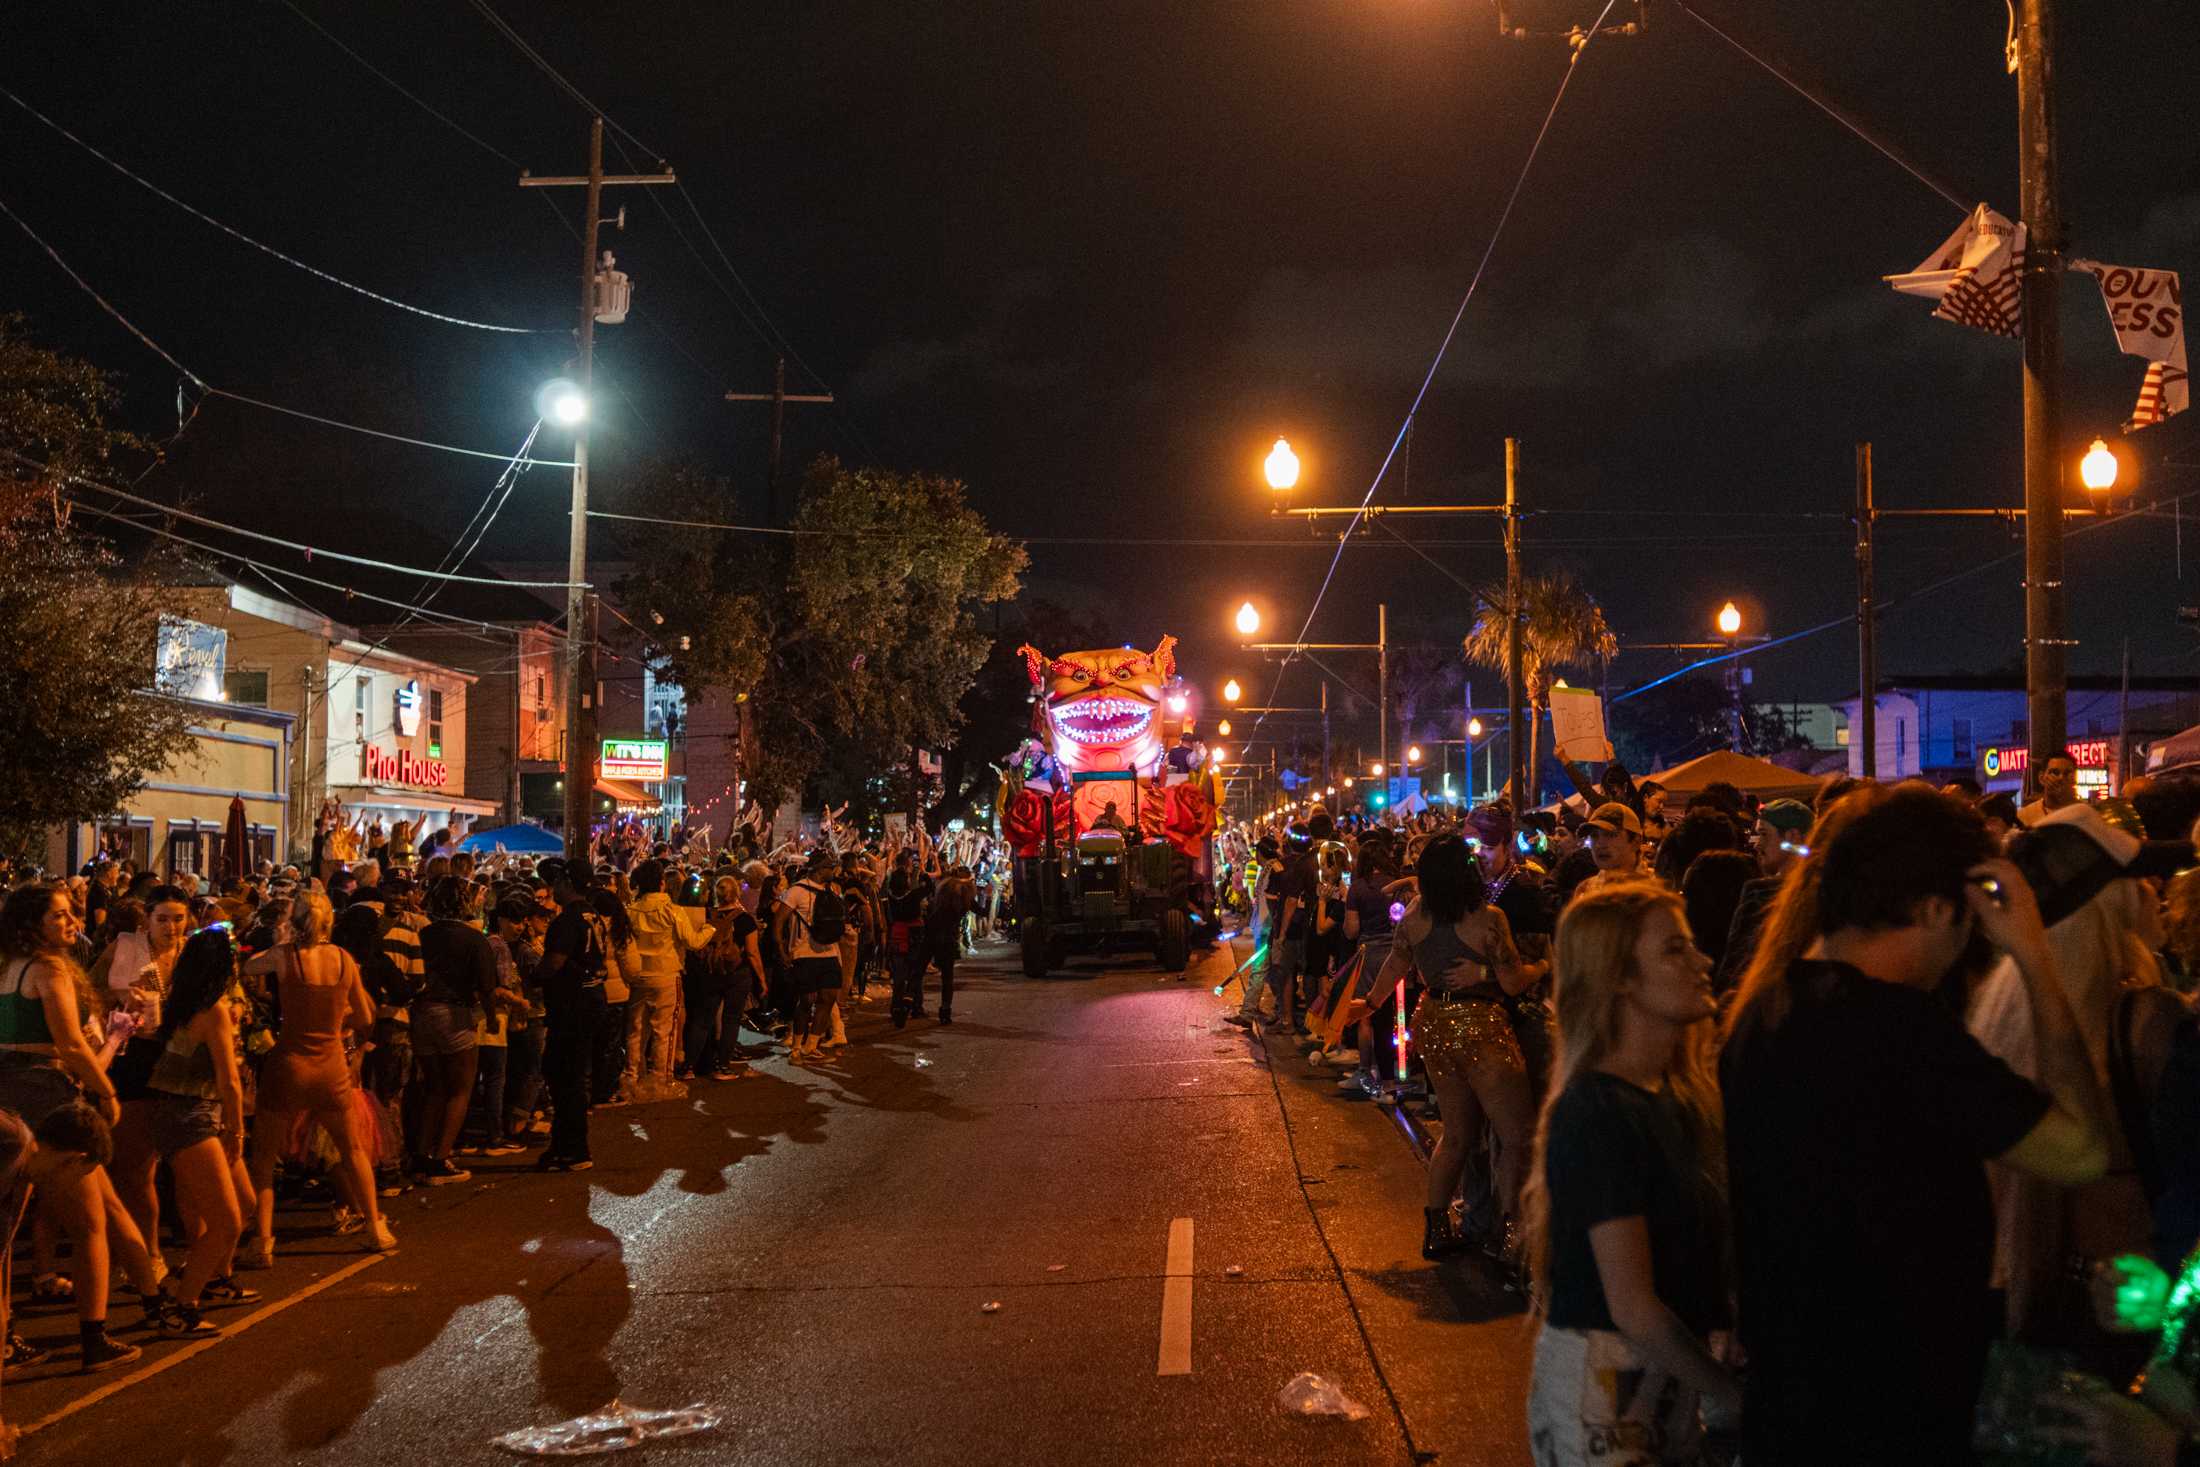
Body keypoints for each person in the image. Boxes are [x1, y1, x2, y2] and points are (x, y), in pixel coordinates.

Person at [1720, 785, 2111, 1464]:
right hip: (1891, 1418)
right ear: (1935, 908)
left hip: (1789, 1413)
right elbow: (2081, 1150)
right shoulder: (1902, 1034)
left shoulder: (1766, 1009)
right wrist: (2033, 957)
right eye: (1967, 922)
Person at [1522, 882, 1737, 1466]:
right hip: (1606, 1386)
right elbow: (1632, 1305)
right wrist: (1734, 1396)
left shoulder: (1678, 1098)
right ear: (1619, 977)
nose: (1703, 961)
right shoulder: (1596, 1112)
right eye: (1675, 950)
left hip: (1666, 1379)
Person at [0, 883, 164, 1371]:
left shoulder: (8, 969)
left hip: (8, 1094)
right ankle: (94, 1337)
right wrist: (106, 1094)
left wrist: (113, 1038)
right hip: (49, 1098)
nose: (72, 922)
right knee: (90, 1224)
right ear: (32, 927)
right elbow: (70, 1046)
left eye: (72, 914)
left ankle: (8, 1335)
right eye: (59, 916)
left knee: (9, 1228)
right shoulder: (49, 969)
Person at [1373, 834, 1537, 1261]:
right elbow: (1513, 983)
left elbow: (1395, 964)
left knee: (1457, 1135)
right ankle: (1507, 1235)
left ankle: (1437, 1227)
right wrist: (1546, 964)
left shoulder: (1413, 917)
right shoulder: (1489, 919)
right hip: (1482, 1027)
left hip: (1434, 1027)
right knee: (1517, 1136)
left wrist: (1368, 1003)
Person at [244, 891, 394, 1263]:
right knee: (353, 1149)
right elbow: (363, 1016)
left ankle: (262, 1239)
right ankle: (375, 1225)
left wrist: (280, 940)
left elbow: (247, 968)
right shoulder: (344, 960)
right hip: (330, 1063)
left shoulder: (284, 956)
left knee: (264, 1156)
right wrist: (339, 1027)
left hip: (290, 1061)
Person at [143, 927, 264, 1337]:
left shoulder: (186, 1004)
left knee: (244, 1201)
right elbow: (228, 1079)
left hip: (193, 1110)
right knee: (226, 1221)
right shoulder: (210, 1010)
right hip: (189, 1114)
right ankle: (182, 1306)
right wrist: (238, 1130)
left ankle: (210, 1277)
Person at [409, 878, 497, 1183]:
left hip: (421, 1012)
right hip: (455, 1012)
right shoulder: (473, 939)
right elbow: (487, 986)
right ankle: (441, 1156)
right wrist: (492, 1017)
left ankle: (422, 1153)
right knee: (460, 1089)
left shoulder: (423, 934)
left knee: (434, 1087)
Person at [534, 870, 616, 1171]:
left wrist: (534, 977)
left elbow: (553, 963)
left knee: (564, 1075)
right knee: (572, 1074)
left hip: (572, 1005)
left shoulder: (567, 920)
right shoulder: (592, 915)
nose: (552, 888)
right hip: (592, 999)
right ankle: (567, 1144)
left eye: (556, 883)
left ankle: (572, 1147)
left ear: (568, 884)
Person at [623, 860, 712, 1097]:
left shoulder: (631, 910)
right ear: (661, 883)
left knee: (636, 1030)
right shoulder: (672, 910)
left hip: (638, 975)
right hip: (665, 974)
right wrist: (709, 929)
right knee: (665, 1030)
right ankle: (661, 1079)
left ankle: (632, 1077)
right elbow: (693, 942)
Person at [1714, 798, 1813, 994]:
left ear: (1792, 837)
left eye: (1764, 835)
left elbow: (1736, 967)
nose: (1758, 845)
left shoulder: (1760, 893)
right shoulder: (1825, 891)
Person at [777, 853, 848, 1062]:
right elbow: (779, 922)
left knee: (828, 998)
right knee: (806, 1001)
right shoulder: (796, 891)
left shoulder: (831, 891)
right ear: (818, 869)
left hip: (829, 953)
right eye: (829, 867)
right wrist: (782, 951)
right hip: (804, 953)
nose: (832, 871)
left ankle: (811, 1046)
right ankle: (797, 1048)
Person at [883, 849, 932, 1027]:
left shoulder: (890, 895)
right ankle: (914, 1005)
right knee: (916, 972)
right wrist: (922, 873)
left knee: (899, 974)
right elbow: (930, 887)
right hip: (914, 935)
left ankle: (896, 1007)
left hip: (896, 933)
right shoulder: (913, 895)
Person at [1574, 803, 1647, 899]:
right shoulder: (1585, 890)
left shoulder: (1657, 888)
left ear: (1636, 842)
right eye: (1594, 836)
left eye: (1610, 835)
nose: (1600, 844)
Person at [929, 870, 974, 1024]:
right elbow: (975, 908)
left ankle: (911, 1003)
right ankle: (945, 1010)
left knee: (919, 970)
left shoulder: (938, 899)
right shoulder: (959, 901)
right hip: (948, 939)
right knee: (947, 977)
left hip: (932, 936)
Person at [2020, 753, 2083, 827]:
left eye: (2067, 773)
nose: (2061, 777)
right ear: (2041, 778)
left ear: (2074, 778)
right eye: (2055, 772)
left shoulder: (2085, 815)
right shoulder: (2025, 816)